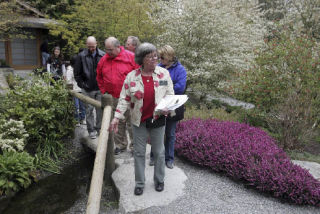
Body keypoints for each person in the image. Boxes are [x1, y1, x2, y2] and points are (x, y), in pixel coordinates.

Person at [110, 42, 174, 196]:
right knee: (139, 153)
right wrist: (116, 117)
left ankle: (159, 180)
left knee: (159, 152)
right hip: (139, 121)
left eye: (155, 56)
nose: (154, 59)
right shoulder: (132, 77)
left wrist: (168, 106)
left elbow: (169, 93)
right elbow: (124, 99)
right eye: (150, 56)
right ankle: (140, 183)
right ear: (141, 59)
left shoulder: (163, 74)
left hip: (158, 118)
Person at [96, 37, 139, 154]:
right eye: (106, 49)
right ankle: (120, 145)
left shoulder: (130, 57)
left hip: (129, 97)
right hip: (113, 97)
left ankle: (135, 146)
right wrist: (104, 90)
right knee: (117, 122)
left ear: (118, 47)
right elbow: (99, 76)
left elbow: (139, 74)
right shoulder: (104, 59)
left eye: (110, 50)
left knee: (132, 122)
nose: (108, 52)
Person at [157, 45, 187, 169]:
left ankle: (169, 159)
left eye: (162, 57)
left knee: (170, 134)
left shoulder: (180, 69)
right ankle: (155, 156)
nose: (160, 59)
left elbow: (181, 87)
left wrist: (164, 84)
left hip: (174, 106)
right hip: (159, 104)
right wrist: (169, 84)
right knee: (157, 133)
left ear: (169, 57)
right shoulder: (158, 67)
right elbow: (154, 83)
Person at [74, 36, 105, 139]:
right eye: (90, 46)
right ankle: (91, 130)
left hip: (100, 87)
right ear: (87, 45)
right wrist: (82, 85)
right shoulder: (81, 56)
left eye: (93, 46)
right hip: (87, 88)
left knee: (100, 110)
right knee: (89, 110)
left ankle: (99, 128)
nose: (92, 48)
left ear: (96, 43)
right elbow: (77, 73)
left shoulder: (102, 55)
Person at [66, 55, 86, 127]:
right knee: (76, 106)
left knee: (82, 106)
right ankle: (76, 120)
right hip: (74, 91)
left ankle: (82, 118)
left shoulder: (80, 68)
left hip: (81, 89)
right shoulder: (69, 70)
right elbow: (68, 81)